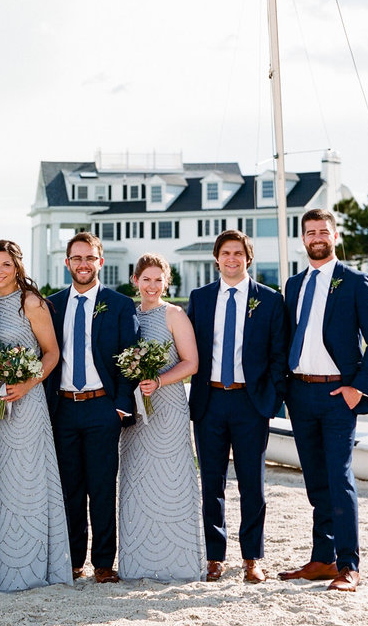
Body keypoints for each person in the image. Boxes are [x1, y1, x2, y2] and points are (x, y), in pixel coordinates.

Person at [279, 208, 368, 593]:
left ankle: (349, 565)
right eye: (310, 232)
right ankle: (322, 559)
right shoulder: (293, 284)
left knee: (339, 477)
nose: (316, 237)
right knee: (315, 482)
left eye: (323, 231)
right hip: (300, 393)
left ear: (335, 236)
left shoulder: (355, 281)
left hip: (338, 394)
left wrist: (359, 387)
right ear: (303, 239)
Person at [187, 230, 288, 584]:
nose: (232, 259)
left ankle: (251, 558)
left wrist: (270, 401)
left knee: (252, 484)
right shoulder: (199, 299)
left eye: (238, 253)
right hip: (209, 400)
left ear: (249, 258)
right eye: (226, 253)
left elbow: (279, 356)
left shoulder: (270, 300)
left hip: (250, 402)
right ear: (217, 258)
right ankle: (215, 557)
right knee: (211, 483)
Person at [44, 232, 139, 583]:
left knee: (101, 487)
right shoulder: (51, 305)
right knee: (70, 488)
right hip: (64, 408)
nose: (83, 265)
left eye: (90, 258)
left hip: (102, 408)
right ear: (67, 262)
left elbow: (130, 359)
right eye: (76, 258)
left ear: (101, 262)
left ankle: (103, 563)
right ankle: (72, 561)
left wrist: (119, 406)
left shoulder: (118, 304)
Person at [0, 240, 72, 592]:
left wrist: (28, 383)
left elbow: (51, 353)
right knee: (0, 482)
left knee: (29, 481)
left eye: (6, 264)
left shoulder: (30, 302)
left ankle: (33, 567)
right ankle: (1, 567)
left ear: (17, 267)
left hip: (27, 402)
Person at [117, 253, 203, 582]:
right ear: (135, 281)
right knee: (136, 482)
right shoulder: (128, 314)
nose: (152, 286)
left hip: (167, 407)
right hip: (137, 412)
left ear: (166, 282)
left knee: (171, 479)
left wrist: (159, 380)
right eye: (146, 279)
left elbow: (191, 363)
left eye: (158, 279)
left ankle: (178, 561)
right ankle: (137, 562)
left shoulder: (174, 314)